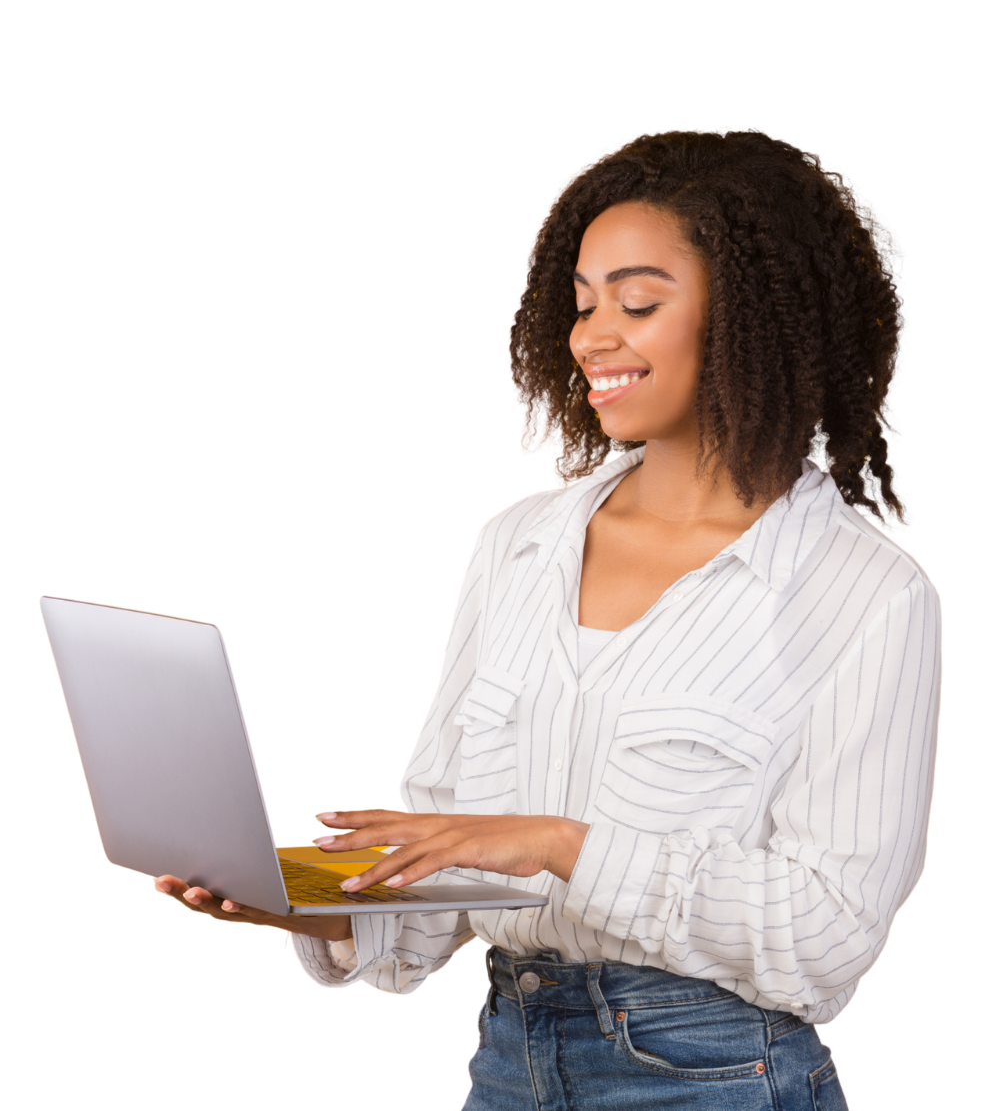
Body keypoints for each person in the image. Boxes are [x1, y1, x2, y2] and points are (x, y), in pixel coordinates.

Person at [153, 129, 941, 1109]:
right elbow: (447, 875)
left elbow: (827, 937)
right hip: (508, 1060)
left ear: (754, 317)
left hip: (716, 1076)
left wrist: (563, 843)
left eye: (637, 302)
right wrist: (302, 899)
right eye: (581, 303)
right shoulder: (516, 545)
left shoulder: (861, 590)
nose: (590, 336)